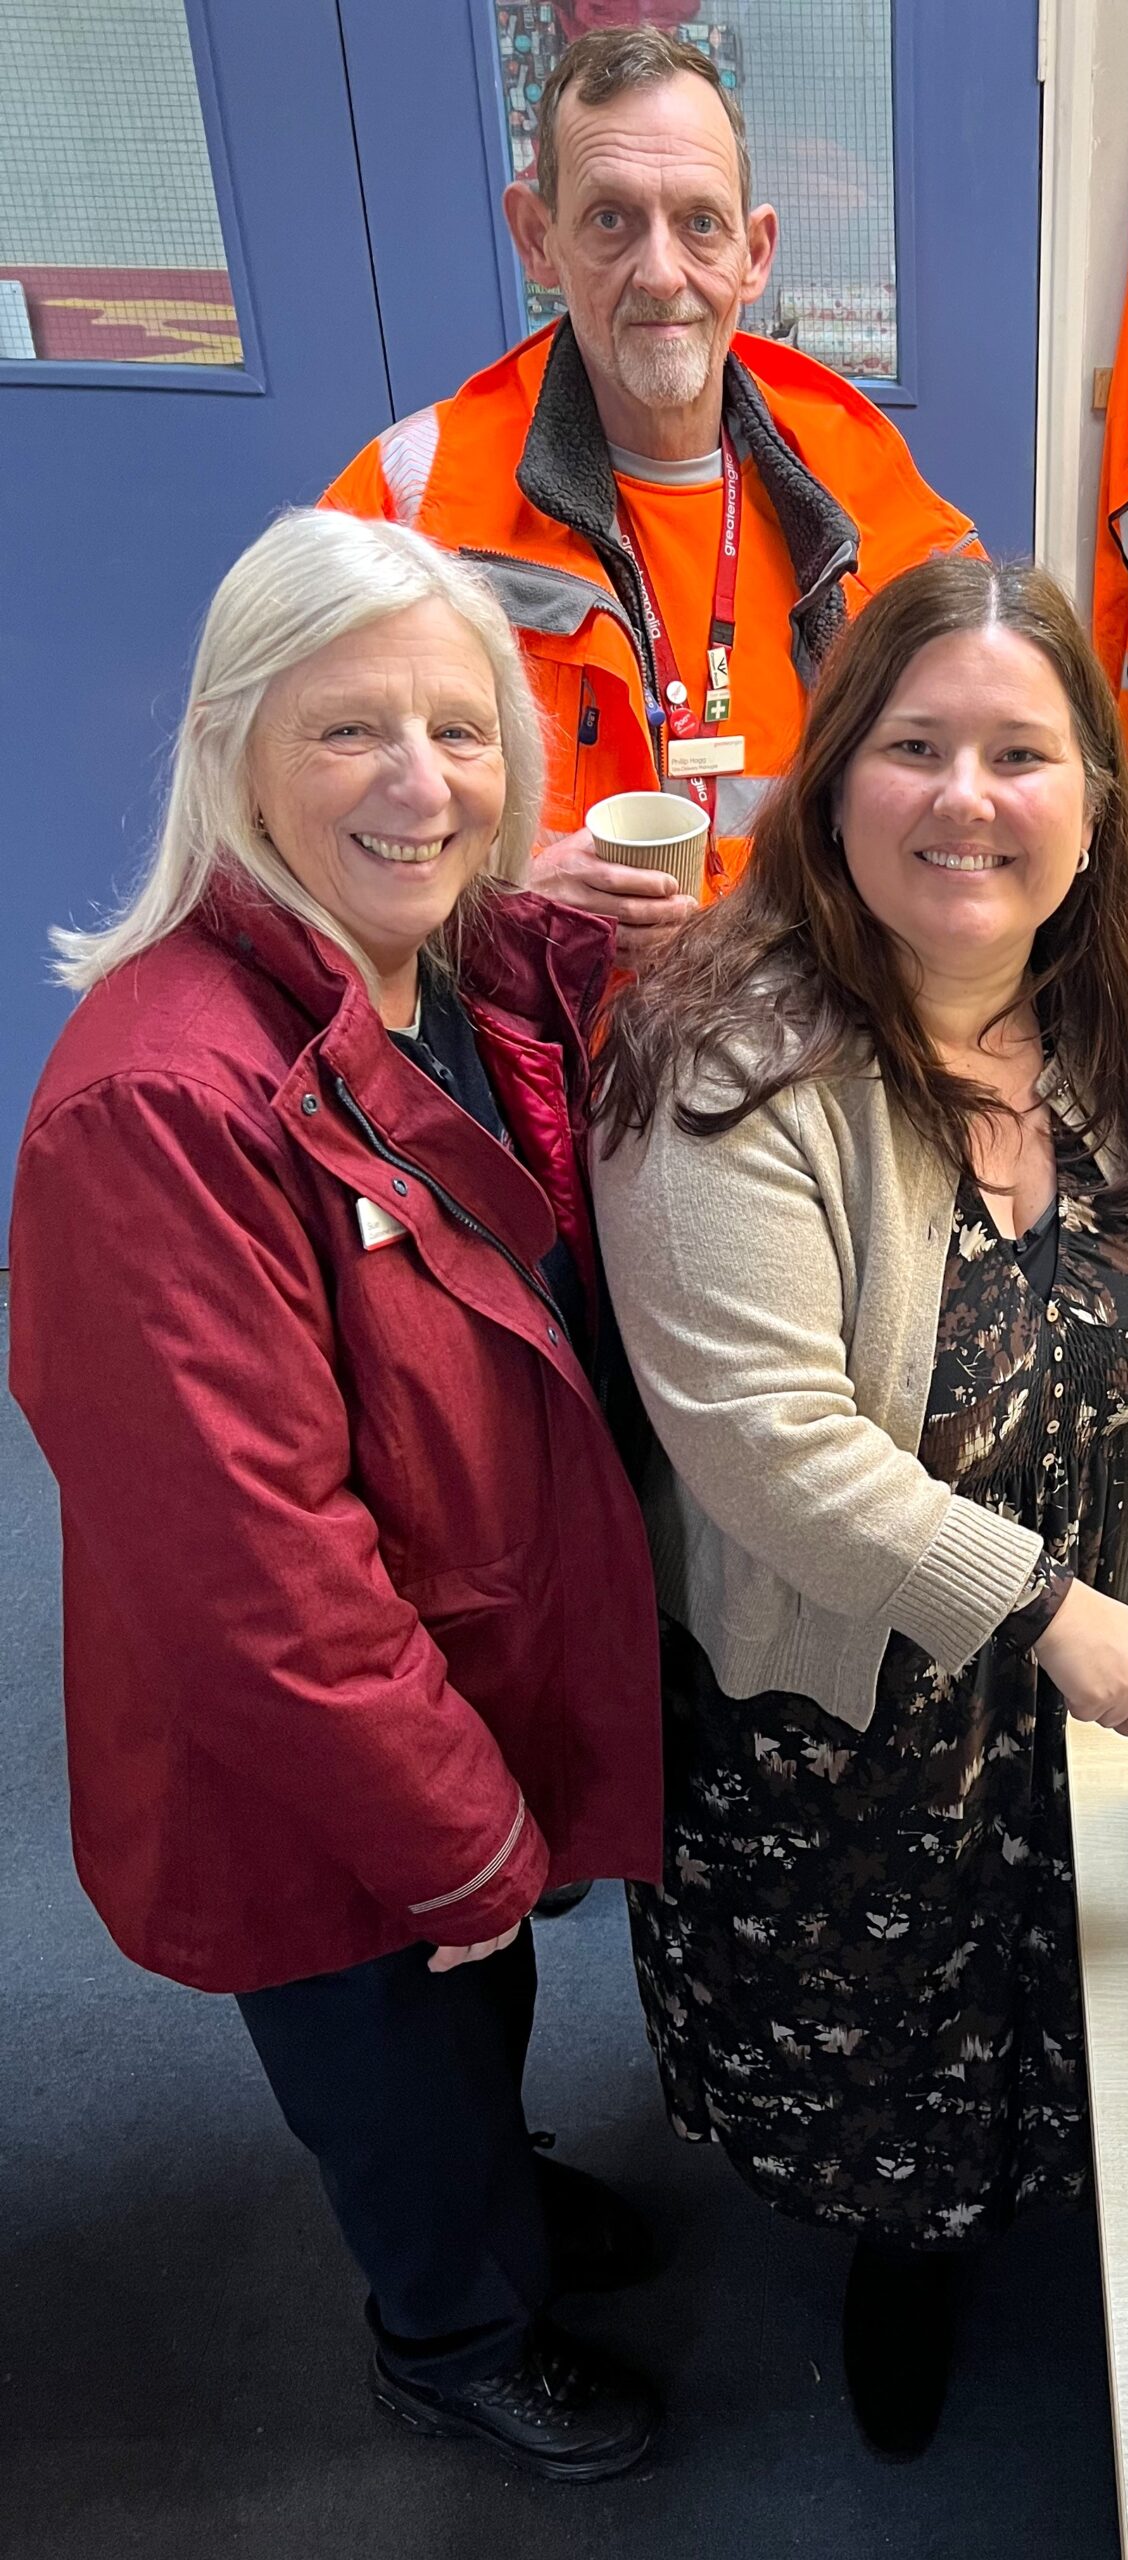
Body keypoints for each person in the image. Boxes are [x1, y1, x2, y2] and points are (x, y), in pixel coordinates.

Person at [589, 555, 1128, 2459]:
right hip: (837, 1707)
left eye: (1022, 755)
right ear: (832, 779)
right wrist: (1045, 1610)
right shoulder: (721, 1055)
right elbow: (767, 1440)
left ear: (1097, 805)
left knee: (1051, 1985)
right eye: (916, 746)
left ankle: (1018, 2196)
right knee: (878, 2048)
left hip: (1064, 1686)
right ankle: (899, 2264)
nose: (968, 799)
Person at [9, 510, 666, 2485]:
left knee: (473, 2027)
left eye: (461, 733)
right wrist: (461, 1830)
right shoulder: (160, 1100)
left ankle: (506, 2206)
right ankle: (453, 2333)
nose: (420, 782)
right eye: (351, 730)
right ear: (233, 747)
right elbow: (255, 1584)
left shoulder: (429, 977)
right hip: (315, 1755)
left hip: (447, 1665)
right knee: (389, 2050)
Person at [324, 24, 975, 973]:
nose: (662, 272)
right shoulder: (418, 493)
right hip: (525, 1060)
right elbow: (289, 818)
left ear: (755, 254)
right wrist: (487, 906)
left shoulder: (862, 483)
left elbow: (982, 788)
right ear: (537, 238)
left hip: (795, 1047)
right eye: (611, 220)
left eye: (700, 223)